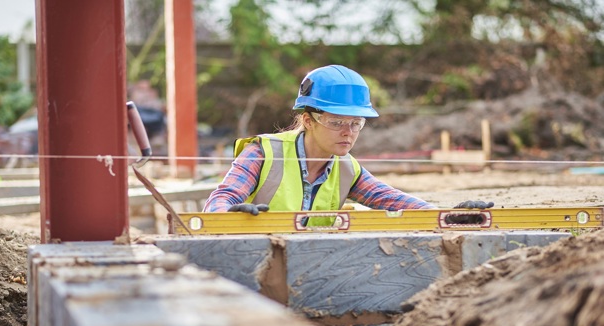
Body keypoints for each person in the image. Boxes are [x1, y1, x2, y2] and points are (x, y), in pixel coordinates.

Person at [202, 65, 492, 221]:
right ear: (308, 121)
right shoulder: (263, 153)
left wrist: (450, 215)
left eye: (356, 124)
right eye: (337, 122)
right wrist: (227, 214)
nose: (348, 133)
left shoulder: (346, 169)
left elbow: (392, 199)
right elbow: (220, 200)